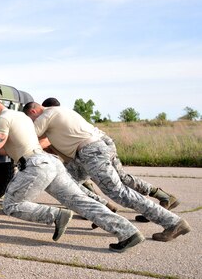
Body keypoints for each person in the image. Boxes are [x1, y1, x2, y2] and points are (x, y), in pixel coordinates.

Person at [0, 95, 144, 252]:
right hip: (50, 163)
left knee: (11, 205)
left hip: (35, 165)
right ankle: (128, 232)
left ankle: (56, 215)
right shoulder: (20, 116)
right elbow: (4, 148)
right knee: (81, 202)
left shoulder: (2, 119)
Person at [23, 102, 191, 243]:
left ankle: (173, 222)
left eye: (31, 119)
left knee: (120, 193)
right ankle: (101, 209)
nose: (34, 121)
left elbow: (28, 135)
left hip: (90, 152)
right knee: (65, 182)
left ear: (33, 111)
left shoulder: (48, 113)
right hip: (85, 154)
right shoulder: (60, 113)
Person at [40, 98, 180, 222]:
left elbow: (44, 143)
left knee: (106, 182)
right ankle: (162, 197)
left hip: (93, 147)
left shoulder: (52, 118)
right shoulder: (67, 115)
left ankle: (101, 207)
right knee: (118, 177)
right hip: (102, 142)